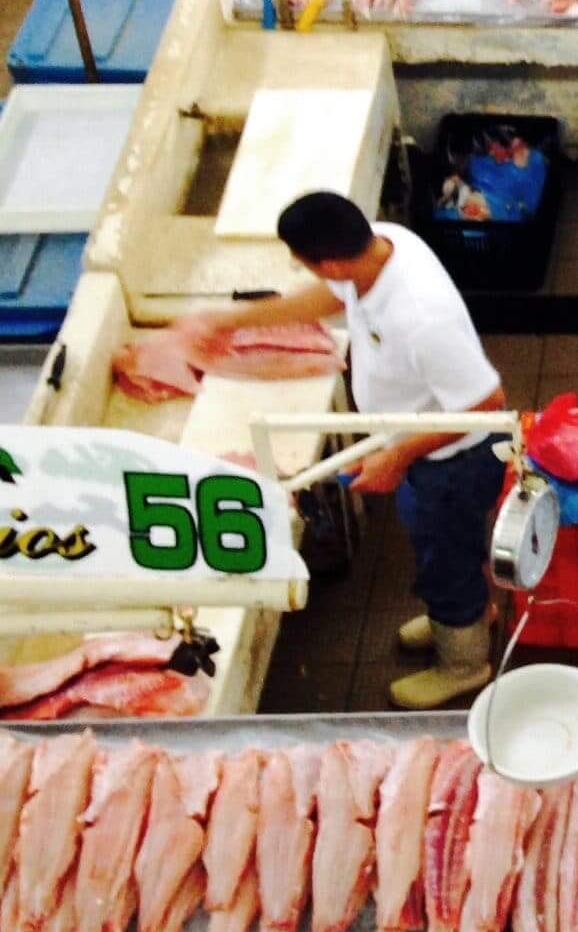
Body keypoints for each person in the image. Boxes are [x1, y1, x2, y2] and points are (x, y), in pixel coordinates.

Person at [183, 193, 507, 709]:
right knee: (450, 546)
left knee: (443, 554)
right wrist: (232, 321)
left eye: (303, 260)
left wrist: (396, 456)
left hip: (452, 462)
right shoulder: (382, 243)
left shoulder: (422, 315)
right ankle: (464, 615)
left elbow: (486, 405)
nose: (300, 269)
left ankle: (464, 664)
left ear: (331, 260)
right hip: (416, 447)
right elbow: (332, 298)